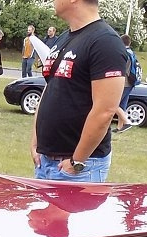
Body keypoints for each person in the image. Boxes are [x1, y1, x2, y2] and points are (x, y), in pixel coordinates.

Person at [30, 0, 126, 182]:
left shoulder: (105, 42)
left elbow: (105, 111)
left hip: (80, 169)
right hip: (46, 161)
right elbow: (50, 88)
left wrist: (77, 161)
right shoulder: (64, 38)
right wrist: (35, 142)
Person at [114, 33, 137, 132]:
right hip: (132, 82)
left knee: (113, 104)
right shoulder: (131, 52)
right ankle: (120, 127)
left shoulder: (124, 53)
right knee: (122, 105)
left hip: (124, 82)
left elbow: (122, 69)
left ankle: (127, 122)